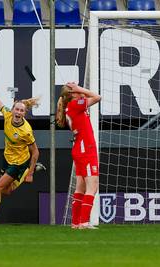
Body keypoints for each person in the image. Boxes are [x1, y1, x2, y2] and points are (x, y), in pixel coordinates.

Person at [0, 77, 42, 227]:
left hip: (18, 162)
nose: (18, 112)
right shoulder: (7, 115)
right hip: (7, 158)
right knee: (6, 191)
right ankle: (25, 173)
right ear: (12, 109)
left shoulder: (26, 131)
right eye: (17, 109)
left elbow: (36, 152)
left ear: (24, 114)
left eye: (21, 110)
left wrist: (30, 173)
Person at [56, 82, 101, 229]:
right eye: (75, 89)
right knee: (92, 187)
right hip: (85, 149)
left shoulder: (71, 106)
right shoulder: (75, 104)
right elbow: (97, 97)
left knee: (81, 188)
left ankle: (76, 222)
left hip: (80, 148)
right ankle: (84, 222)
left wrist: (78, 91)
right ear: (72, 94)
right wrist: (80, 89)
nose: (79, 90)